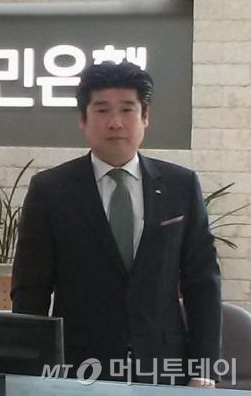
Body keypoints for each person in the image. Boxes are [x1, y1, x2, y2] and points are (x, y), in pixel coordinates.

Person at [11, 61, 221, 386]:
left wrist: (204, 369)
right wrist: (29, 373)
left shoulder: (181, 185)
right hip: (77, 368)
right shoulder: (50, 190)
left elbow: (202, 283)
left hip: (164, 367)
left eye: (127, 109)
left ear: (145, 116)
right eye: (102, 110)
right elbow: (31, 290)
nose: (115, 122)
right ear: (83, 119)